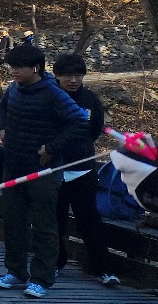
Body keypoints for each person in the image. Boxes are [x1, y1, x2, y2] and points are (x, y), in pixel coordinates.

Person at [0, 43, 89, 298]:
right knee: (13, 222)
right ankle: (15, 271)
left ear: (35, 68)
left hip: (43, 170)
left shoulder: (54, 94)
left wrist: (52, 148)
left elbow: (80, 122)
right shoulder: (13, 89)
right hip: (14, 166)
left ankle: (42, 278)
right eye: (11, 67)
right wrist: (1, 127)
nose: (13, 71)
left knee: (45, 226)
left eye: (19, 67)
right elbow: (2, 111)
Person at [50, 53, 117, 286]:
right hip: (54, 169)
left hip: (83, 169)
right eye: (68, 75)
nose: (73, 80)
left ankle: (102, 268)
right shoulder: (49, 97)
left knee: (90, 220)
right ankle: (55, 263)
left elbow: (95, 128)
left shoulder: (89, 98)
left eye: (78, 75)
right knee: (55, 220)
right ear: (57, 76)